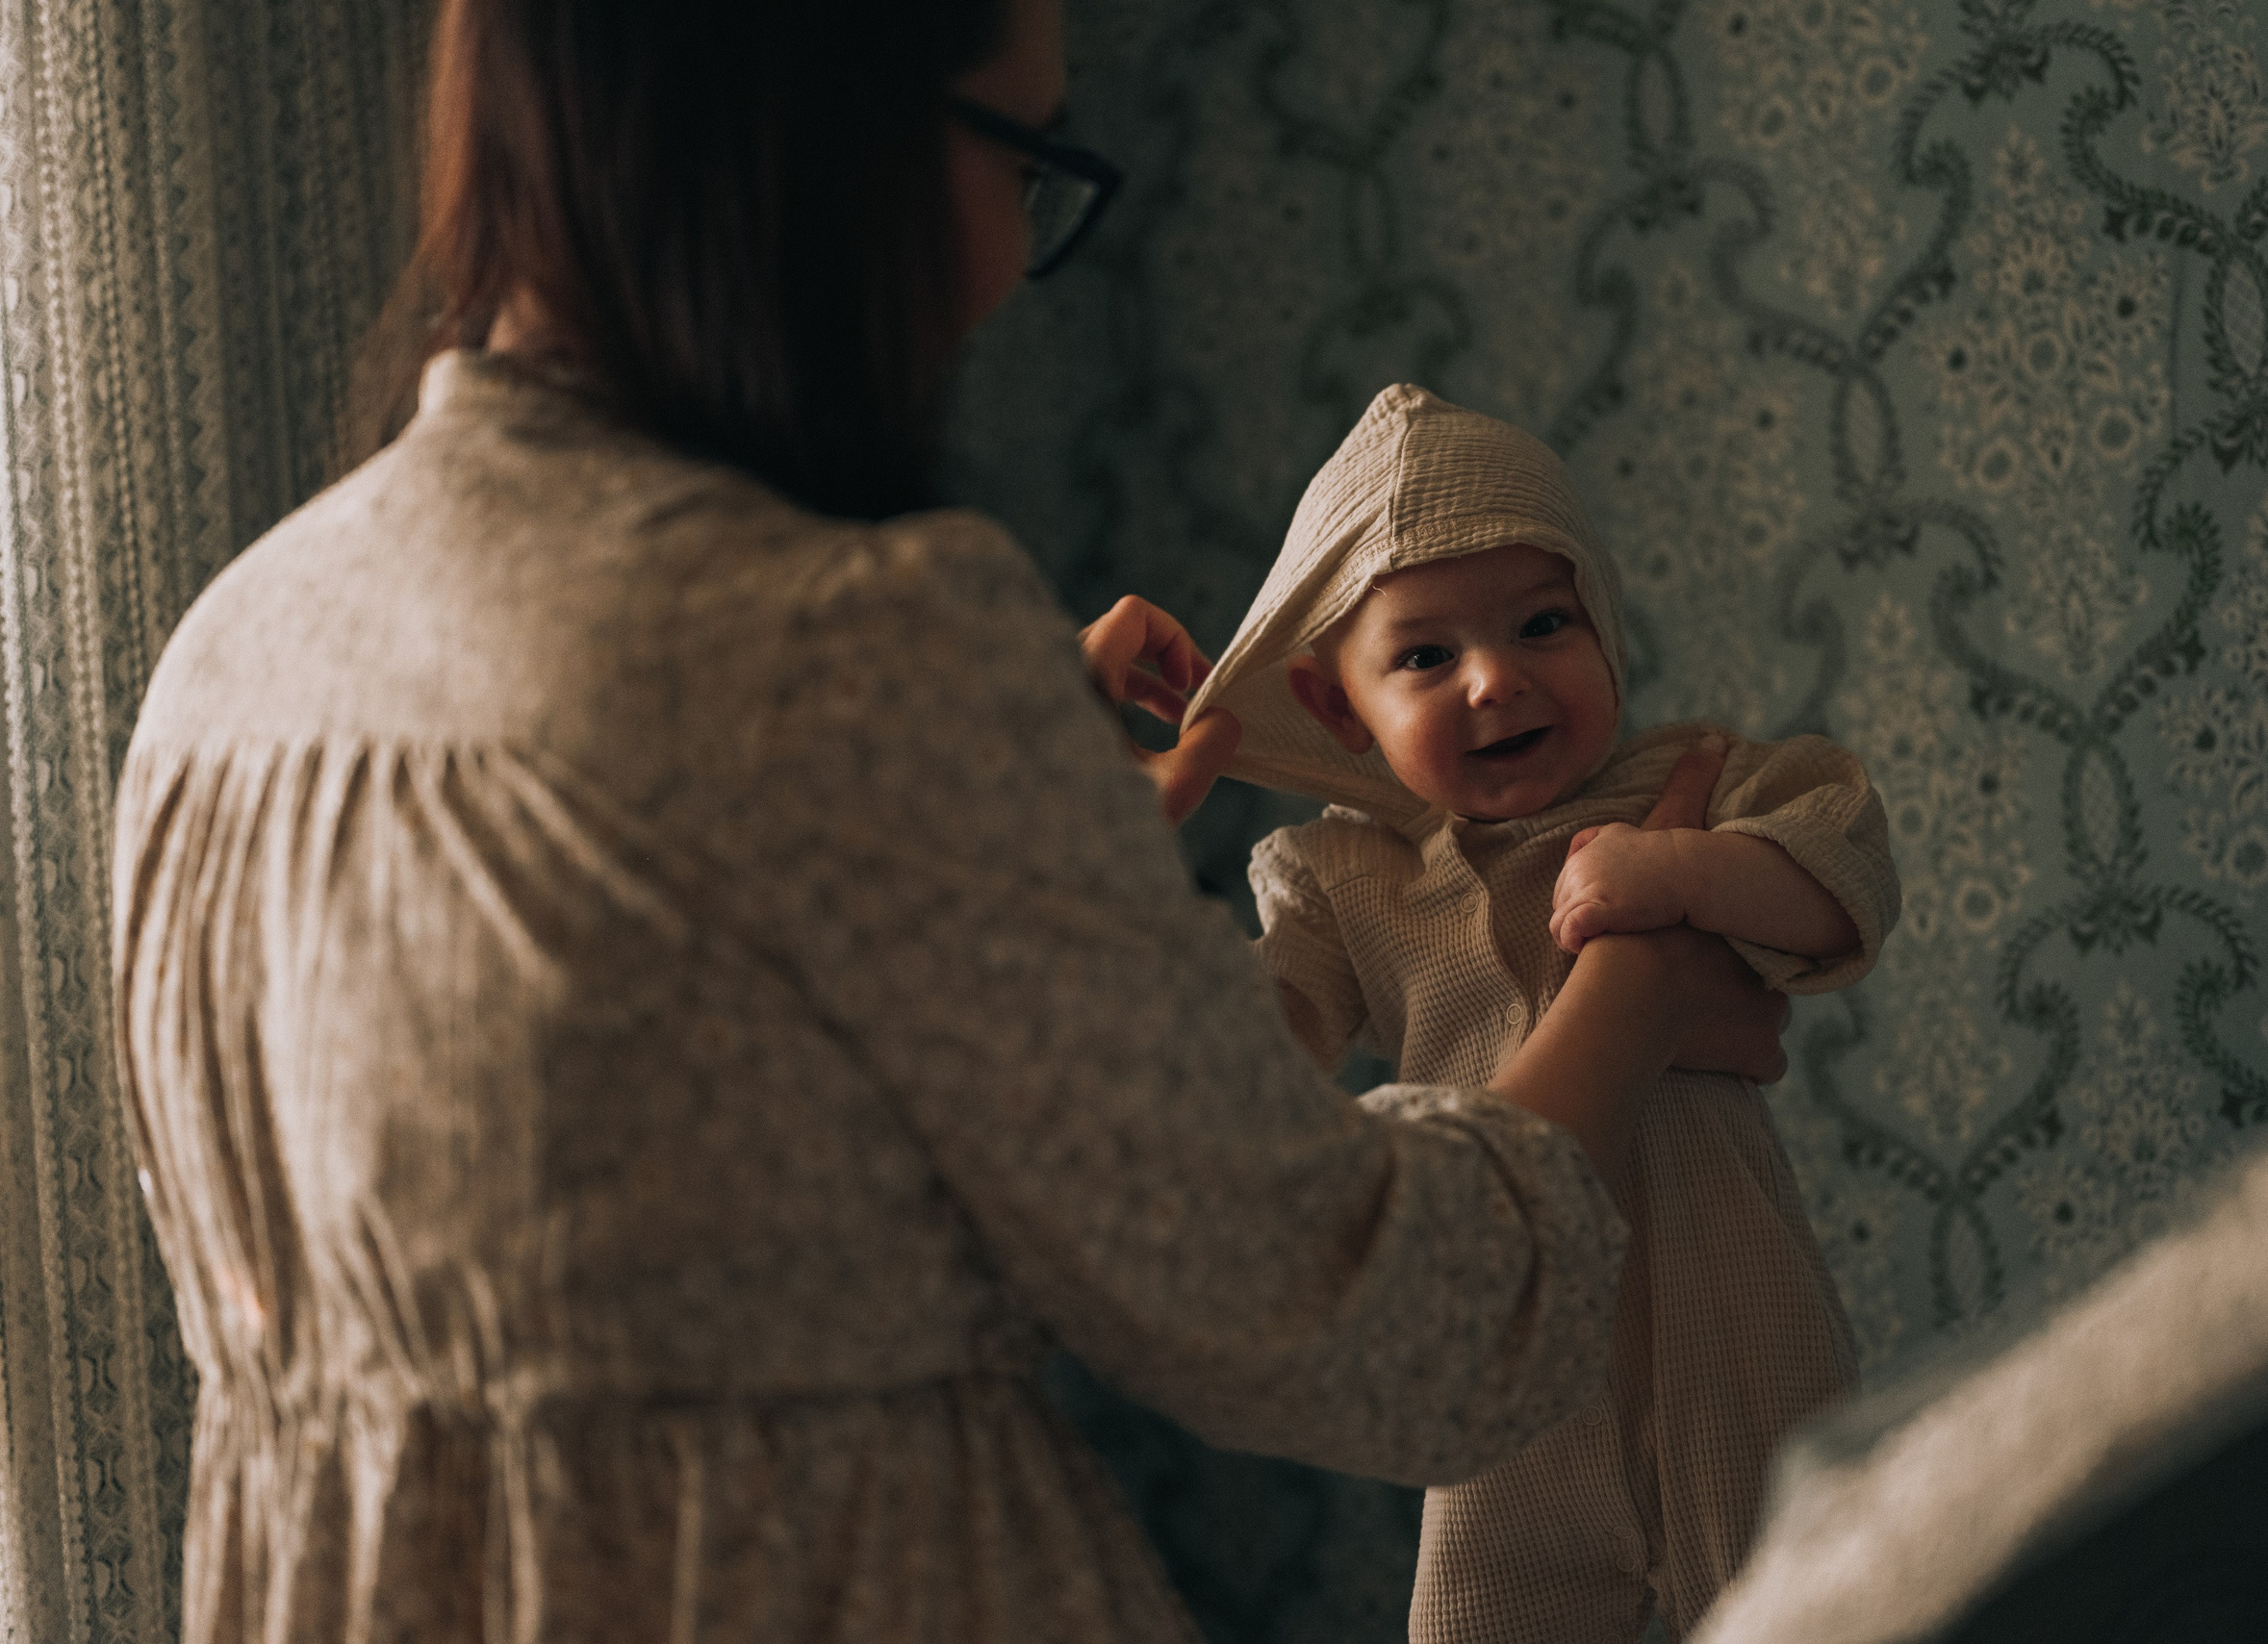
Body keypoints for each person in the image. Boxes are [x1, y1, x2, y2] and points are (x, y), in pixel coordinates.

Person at [107, 3, 1798, 1642]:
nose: (1008, 257)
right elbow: (1389, 1324)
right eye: (1025, 159)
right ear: (829, 136)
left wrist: (991, 825)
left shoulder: (226, 663)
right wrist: (1640, 975)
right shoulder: (848, 640)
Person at [1180, 384, 1900, 1640]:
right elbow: (1248, 1058)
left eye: (1542, 621)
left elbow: (1844, 864)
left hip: (1728, 1308)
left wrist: (1679, 874)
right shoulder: (1346, 876)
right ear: (1341, 705)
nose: (1496, 678)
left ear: (1605, 630)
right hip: (1513, 1355)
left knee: (1818, 1595)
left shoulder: (1694, 784)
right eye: (1426, 655)